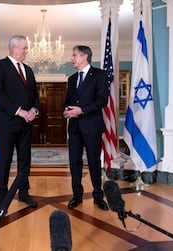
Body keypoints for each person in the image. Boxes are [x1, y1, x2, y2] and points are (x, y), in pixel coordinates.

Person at [0, 35, 40, 213]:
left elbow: (35, 95)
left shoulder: (28, 70)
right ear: (13, 48)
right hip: (8, 123)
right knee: (5, 160)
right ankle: (2, 198)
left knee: (25, 161)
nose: (26, 51)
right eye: (24, 48)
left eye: (26, 48)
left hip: (26, 124)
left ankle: (24, 193)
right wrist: (20, 111)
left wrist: (34, 110)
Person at [63, 45, 110, 211]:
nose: (72, 58)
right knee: (74, 163)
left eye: (74, 55)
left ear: (84, 57)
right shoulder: (71, 79)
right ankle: (77, 196)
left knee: (93, 162)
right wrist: (66, 110)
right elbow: (67, 100)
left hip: (92, 126)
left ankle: (98, 196)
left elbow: (102, 100)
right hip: (74, 128)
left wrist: (81, 110)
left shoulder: (100, 75)